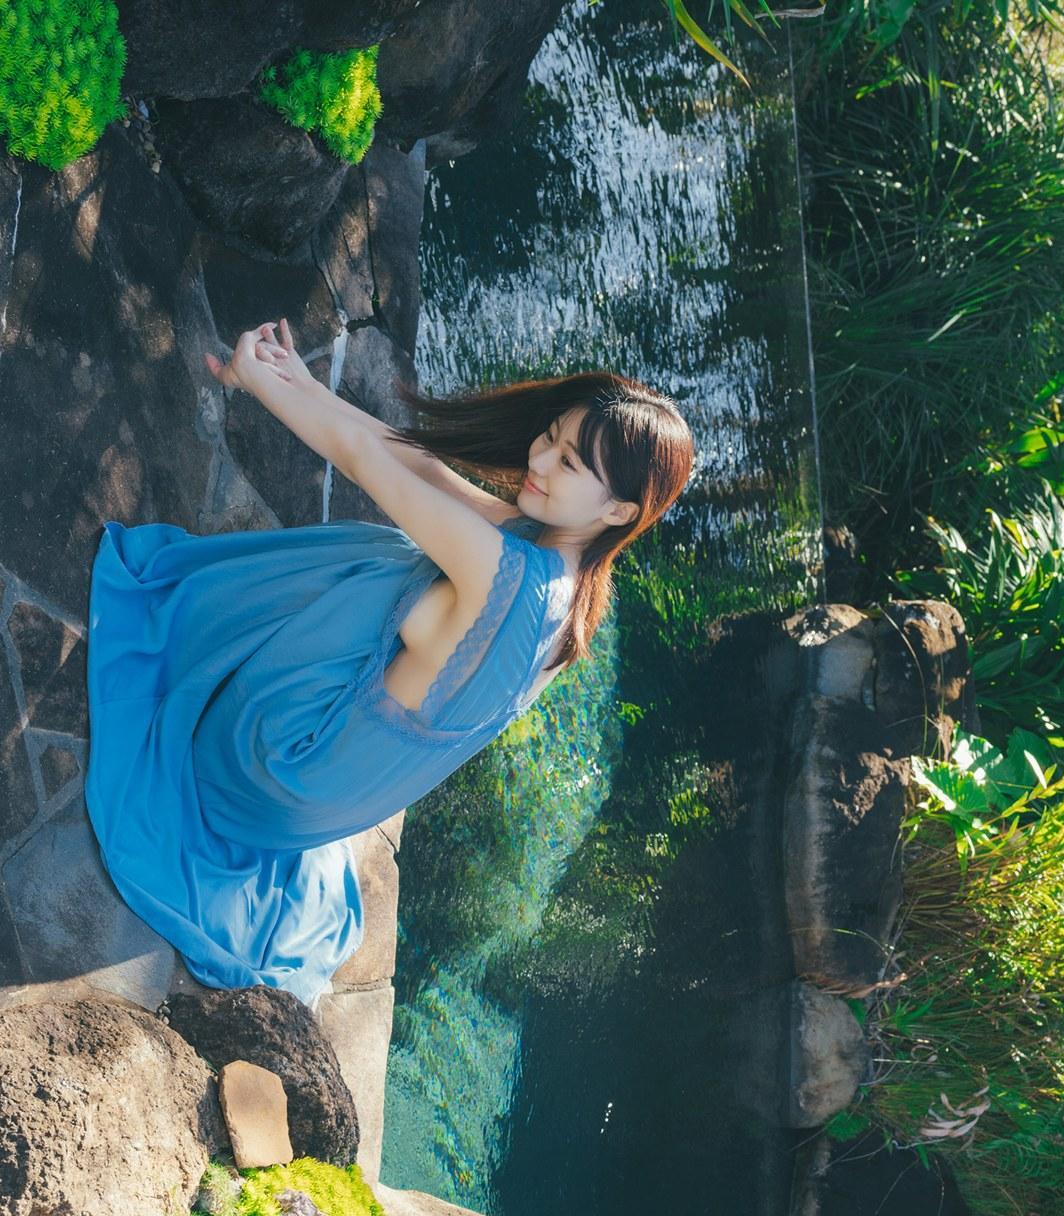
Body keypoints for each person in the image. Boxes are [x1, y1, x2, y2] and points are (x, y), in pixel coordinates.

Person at [83, 318, 694, 1009]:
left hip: (261, 766)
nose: (540, 459)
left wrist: (256, 381)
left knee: (385, 567)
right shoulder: (572, 583)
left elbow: (365, 462)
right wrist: (305, 382)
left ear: (619, 508)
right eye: (549, 436)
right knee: (400, 560)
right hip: (307, 804)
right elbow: (421, 465)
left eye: (569, 462)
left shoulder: (516, 583)